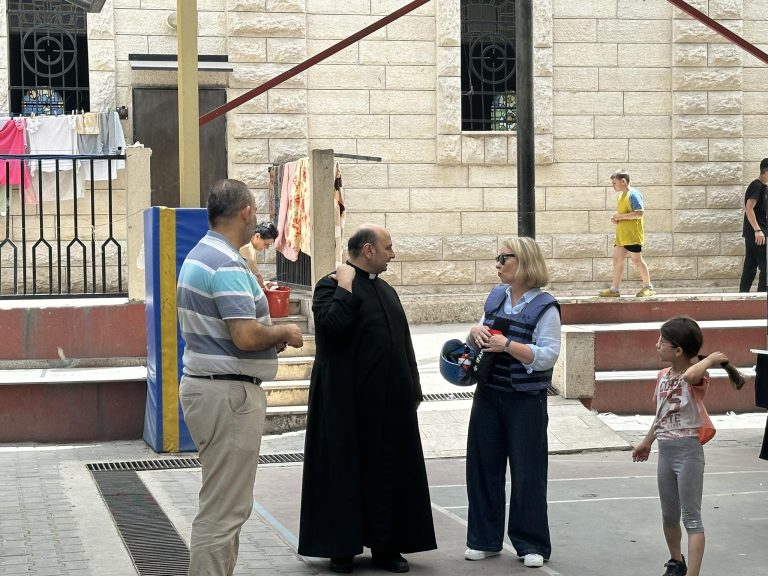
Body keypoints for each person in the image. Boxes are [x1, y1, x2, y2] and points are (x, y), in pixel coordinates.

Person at [176, 179, 304, 576]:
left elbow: (230, 332)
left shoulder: (202, 254)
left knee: (223, 504)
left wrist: (265, 342)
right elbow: (245, 335)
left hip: (212, 388)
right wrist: (283, 332)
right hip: (228, 396)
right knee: (224, 510)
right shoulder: (227, 263)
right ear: (246, 211)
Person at [298, 224, 436, 574]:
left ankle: (386, 548)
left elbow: (402, 343)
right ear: (369, 251)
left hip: (389, 406)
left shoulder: (386, 290)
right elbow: (331, 327)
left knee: (388, 474)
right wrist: (345, 285)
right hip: (345, 405)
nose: (393, 253)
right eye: (388, 247)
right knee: (344, 474)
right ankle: (341, 549)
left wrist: (413, 387)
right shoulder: (330, 286)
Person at [464, 236, 561, 569]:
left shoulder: (545, 305)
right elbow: (482, 334)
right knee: (482, 467)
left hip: (526, 400)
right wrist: (475, 332)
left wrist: (507, 345)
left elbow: (548, 355)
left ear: (524, 262)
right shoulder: (495, 298)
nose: (498, 264)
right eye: (497, 258)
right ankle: (484, 539)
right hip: (489, 393)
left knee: (528, 471)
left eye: (503, 258)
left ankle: (531, 543)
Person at [632, 316, 744, 576]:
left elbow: (691, 373)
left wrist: (710, 360)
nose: (656, 344)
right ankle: (676, 561)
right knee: (669, 515)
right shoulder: (662, 375)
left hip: (688, 452)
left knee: (691, 517)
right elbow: (660, 415)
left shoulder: (698, 375)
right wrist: (647, 442)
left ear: (679, 350)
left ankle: (693, 573)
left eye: (662, 341)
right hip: (666, 452)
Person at [599, 170, 656, 297]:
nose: (613, 186)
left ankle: (648, 287)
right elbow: (625, 215)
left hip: (632, 234)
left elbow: (639, 213)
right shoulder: (621, 196)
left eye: (614, 183)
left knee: (636, 260)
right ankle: (615, 290)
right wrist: (617, 219)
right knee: (617, 260)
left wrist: (620, 216)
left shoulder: (634, 194)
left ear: (623, 181)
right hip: (622, 235)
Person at [739, 158, 768, 292]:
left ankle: (742, 295)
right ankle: (762, 297)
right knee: (766, 267)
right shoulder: (756, 185)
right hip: (757, 234)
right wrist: (757, 230)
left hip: (758, 232)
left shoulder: (763, 187)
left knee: (750, 265)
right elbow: (749, 208)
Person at [240, 221, 279, 290]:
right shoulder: (247, 247)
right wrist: (265, 287)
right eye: (266, 244)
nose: (266, 248)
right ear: (257, 236)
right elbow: (257, 276)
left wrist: (264, 283)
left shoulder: (246, 241)